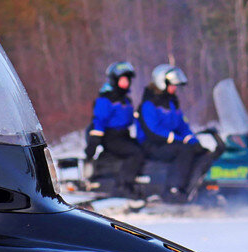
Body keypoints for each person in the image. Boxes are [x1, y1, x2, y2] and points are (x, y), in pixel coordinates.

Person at [136, 64, 210, 202]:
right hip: (151, 144)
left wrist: (193, 142)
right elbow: (154, 131)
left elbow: (182, 126)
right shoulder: (149, 104)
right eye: (172, 85)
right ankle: (173, 189)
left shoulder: (171, 103)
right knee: (183, 151)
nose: (175, 88)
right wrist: (179, 140)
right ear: (161, 83)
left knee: (196, 151)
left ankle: (194, 189)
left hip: (167, 142)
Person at [85, 61, 145, 197]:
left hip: (124, 135)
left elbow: (131, 118)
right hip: (111, 137)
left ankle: (138, 184)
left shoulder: (126, 100)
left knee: (143, 149)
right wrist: (93, 144)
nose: (126, 83)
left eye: (127, 80)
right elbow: (99, 121)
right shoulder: (106, 99)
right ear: (115, 80)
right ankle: (123, 185)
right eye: (122, 80)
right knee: (135, 153)